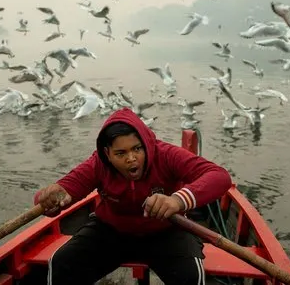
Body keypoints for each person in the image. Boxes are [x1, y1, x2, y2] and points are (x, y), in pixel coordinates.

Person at [34, 107, 232, 285]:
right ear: (107, 153)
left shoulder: (166, 155)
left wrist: (177, 200)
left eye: (137, 149)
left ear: (146, 144)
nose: (131, 159)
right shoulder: (98, 165)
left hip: (167, 230)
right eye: (120, 153)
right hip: (112, 231)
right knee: (62, 263)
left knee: (190, 276)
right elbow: (59, 194)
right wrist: (50, 199)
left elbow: (219, 177)